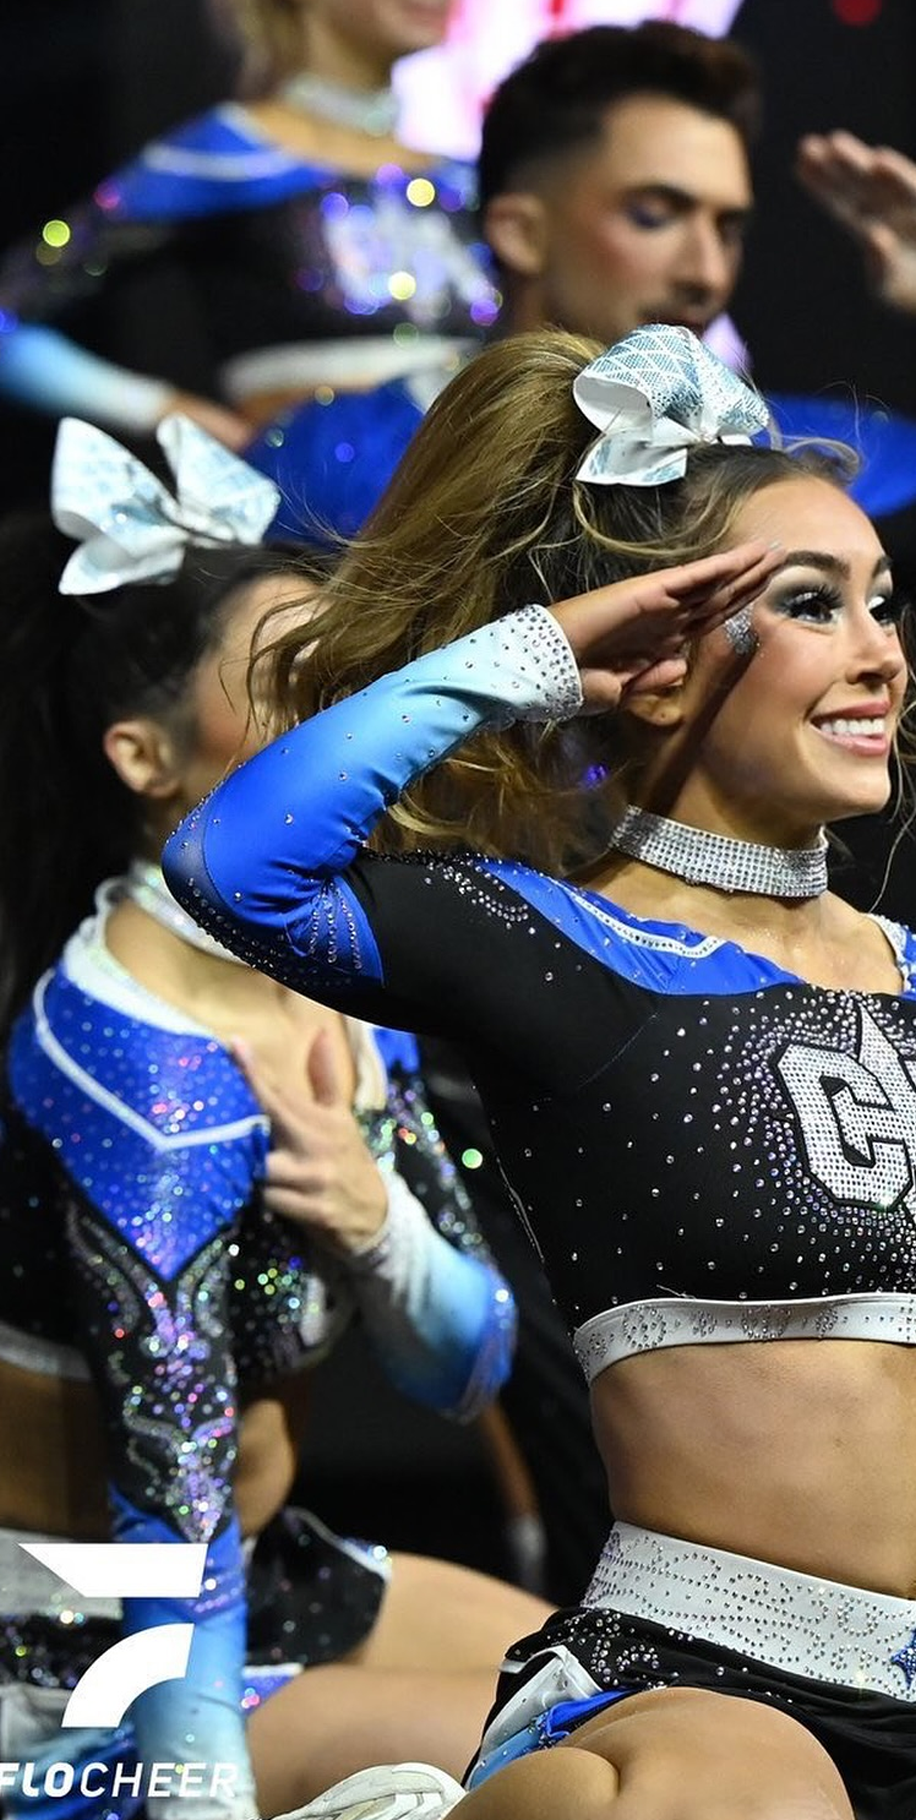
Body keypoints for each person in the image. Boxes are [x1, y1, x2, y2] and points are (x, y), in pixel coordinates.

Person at [157, 321, 916, 1819]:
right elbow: (232, 867)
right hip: (696, 1701)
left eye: (882, 602)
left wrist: (900, 1393)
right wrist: (533, 657)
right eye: (811, 604)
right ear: (656, 664)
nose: (881, 651)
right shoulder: (558, 943)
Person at [0, 415, 551, 1820]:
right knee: (552, 1761)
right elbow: (167, 1507)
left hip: (261, 1574)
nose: (345, 727)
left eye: (347, 683)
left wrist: (377, 1228)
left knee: (644, 1695)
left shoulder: (334, 1000)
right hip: (84, 1646)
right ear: (145, 758)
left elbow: (468, 1360)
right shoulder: (136, 1060)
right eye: (292, 686)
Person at [250, 19, 916, 628]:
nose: (705, 271)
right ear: (518, 229)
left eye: (729, 225)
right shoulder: (334, 452)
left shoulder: (805, 458)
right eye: (654, 214)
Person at [0, 0, 498, 455]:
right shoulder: (227, 155)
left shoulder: (469, 178)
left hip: (476, 512)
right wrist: (164, 410)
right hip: (314, 533)